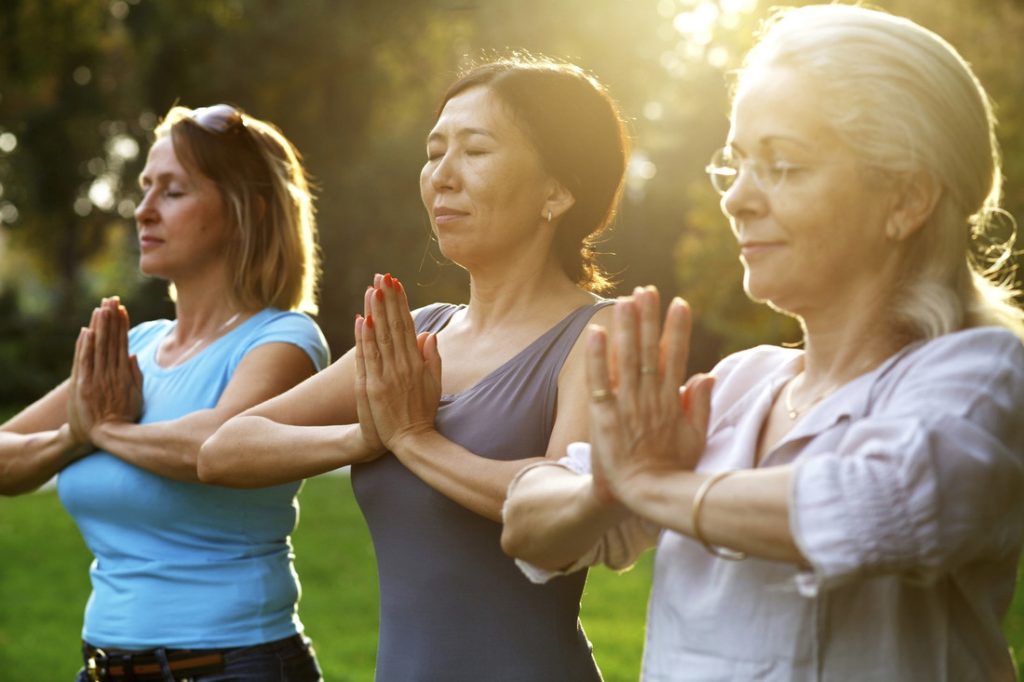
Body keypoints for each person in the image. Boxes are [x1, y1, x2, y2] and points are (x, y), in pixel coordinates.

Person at [501, 5, 1024, 680]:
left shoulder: (980, 372)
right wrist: (607, 487)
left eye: (782, 165)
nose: (737, 200)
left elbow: (881, 505)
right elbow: (526, 521)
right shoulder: (741, 384)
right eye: (737, 163)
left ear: (907, 198)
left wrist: (651, 486)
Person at [201, 57, 629, 680]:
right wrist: (364, 436)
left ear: (558, 191)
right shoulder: (418, 332)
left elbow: (567, 507)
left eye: (475, 150)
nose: (441, 177)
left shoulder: (599, 334)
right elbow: (223, 449)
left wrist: (412, 439)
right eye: (434, 152)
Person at [1, 103, 329, 681]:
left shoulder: (283, 339)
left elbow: (215, 447)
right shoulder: (138, 347)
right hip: (104, 667)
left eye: (172, 192)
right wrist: (75, 434)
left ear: (243, 211)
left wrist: (106, 431)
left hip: (233, 666)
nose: (143, 211)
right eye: (145, 188)